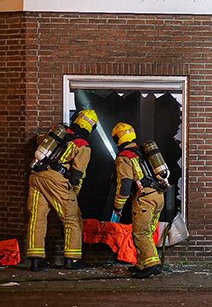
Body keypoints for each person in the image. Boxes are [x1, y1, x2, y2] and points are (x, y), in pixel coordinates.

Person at [27, 109, 97, 271]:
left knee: (37, 217)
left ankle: (36, 260)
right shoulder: (83, 145)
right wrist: (74, 193)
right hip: (57, 180)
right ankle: (72, 259)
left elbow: (38, 141)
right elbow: (77, 175)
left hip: (36, 176)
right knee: (72, 218)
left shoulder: (57, 133)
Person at [111, 122, 168, 279]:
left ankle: (152, 265)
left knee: (141, 233)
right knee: (148, 232)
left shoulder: (124, 157)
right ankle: (142, 264)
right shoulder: (143, 152)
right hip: (158, 195)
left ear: (118, 138)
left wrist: (118, 205)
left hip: (145, 199)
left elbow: (125, 184)